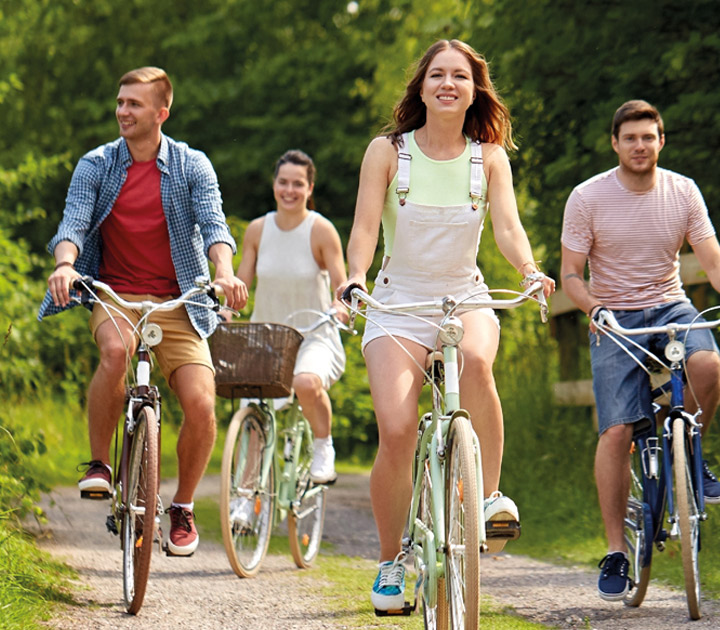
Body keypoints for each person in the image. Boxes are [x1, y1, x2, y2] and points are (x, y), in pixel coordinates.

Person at [337, 39, 555, 611]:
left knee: (479, 362)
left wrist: (529, 270)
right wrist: (354, 276)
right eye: (437, 74)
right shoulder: (387, 152)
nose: (448, 83)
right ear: (423, 86)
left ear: (474, 89)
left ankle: (488, 499)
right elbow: (362, 230)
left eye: (460, 75)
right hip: (397, 302)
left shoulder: (489, 158)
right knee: (397, 427)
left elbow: (507, 229)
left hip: (465, 297)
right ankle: (391, 564)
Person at [40, 66, 249, 557]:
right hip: (114, 292)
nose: (122, 112)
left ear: (162, 113)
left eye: (133, 104)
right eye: (119, 102)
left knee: (201, 402)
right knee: (116, 351)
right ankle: (99, 465)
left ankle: (182, 507)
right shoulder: (96, 164)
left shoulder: (192, 164)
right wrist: (66, 265)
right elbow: (73, 221)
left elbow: (215, 227)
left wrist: (224, 271)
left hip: (180, 297)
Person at [559, 99, 720, 601]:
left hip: (671, 307)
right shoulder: (587, 197)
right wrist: (594, 308)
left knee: (708, 366)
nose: (640, 146)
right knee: (617, 429)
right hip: (614, 318)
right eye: (630, 138)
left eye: (648, 137)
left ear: (661, 141)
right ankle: (615, 552)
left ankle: (689, 450)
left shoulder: (682, 190)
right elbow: (571, 275)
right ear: (615, 144)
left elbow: (710, 256)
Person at [233, 149, 349, 487]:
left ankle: (323, 446)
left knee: (306, 383)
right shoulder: (257, 230)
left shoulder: (321, 231)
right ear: (274, 185)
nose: (289, 190)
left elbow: (342, 287)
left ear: (310, 188)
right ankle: (244, 494)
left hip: (313, 335)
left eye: (298, 184)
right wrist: (226, 308)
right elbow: (242, 284)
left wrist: (340, 308)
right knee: (253, 412)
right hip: (268, 338)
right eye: (283, 182)